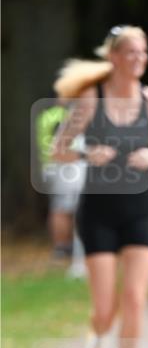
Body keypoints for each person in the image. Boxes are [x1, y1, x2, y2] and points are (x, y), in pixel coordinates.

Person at [53, 25, 148, 348]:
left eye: (144, 52)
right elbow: (59, 151)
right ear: (114, 57)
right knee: (105, 308)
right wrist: (87, 154)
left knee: (135, 298)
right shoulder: (92, 98)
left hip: (140, 211)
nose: (139, 59)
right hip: (99, 212)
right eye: (131, 53)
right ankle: (94, 345)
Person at [36, 100, 87, 274]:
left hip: (53, 168)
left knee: (60, 208)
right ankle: (69, 250)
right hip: (69, 169)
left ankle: (63, 248)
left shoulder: (46, 115)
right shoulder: (71, 114)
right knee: (66, 210)